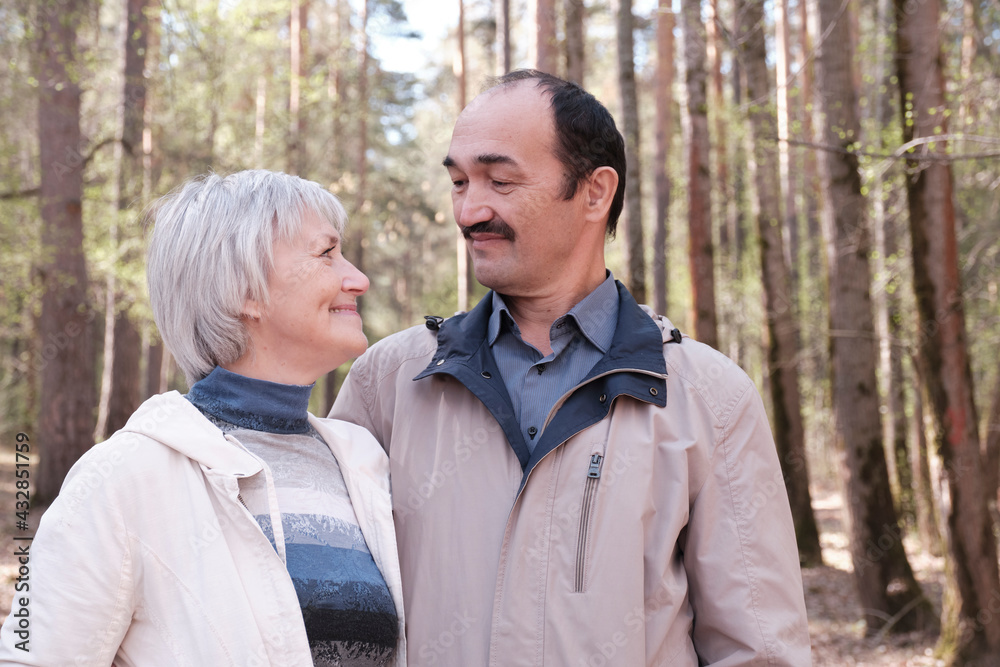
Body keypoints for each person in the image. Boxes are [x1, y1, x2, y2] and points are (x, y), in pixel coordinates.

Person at [330, 71, 811, 665]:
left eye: (500, 180)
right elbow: (328, 608)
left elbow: (757, 648)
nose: (468, 210)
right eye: (458, 182)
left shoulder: (708, 396)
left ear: (594, 192)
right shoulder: (388, 380)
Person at [0, 170, 405, 666]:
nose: (358, 279)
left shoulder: (364, 466)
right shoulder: (125, 476)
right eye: (326, 254)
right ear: (244, 291)